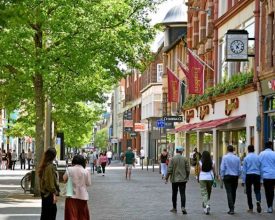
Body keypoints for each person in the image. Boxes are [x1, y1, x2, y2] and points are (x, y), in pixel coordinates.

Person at [63, 155, 91, 220]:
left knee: (71, 216)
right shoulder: (86, 171)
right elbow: (88, 183)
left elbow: (64, 178)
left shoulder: (69, 169)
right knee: (82, 216)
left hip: (71, 196)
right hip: (83, 196)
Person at [165, 146, 190, 215]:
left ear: (176, 151)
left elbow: (169, 170)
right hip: (183, 179)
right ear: (181, 151)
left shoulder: (172, 159)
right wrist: (187, 176)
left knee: (174, 194)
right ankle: (183, 207)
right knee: (182, 193)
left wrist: (166, 178)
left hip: (174, 179)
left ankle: (174, 208)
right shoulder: (185, 159)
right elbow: (188, 170)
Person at [37, 147, 59, 220]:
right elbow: (50, 183)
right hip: (48, 194)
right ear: (53, 156)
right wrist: (55, 193)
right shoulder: (49, 167)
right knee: (51, 214)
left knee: (45, 214)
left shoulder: (44, 165)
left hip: (45, 193)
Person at [220, 145, 241, 215]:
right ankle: (232, 206)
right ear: (233, 150)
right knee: (233, 192)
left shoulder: (225, 157)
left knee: (228, 192)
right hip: (235, 177)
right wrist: (238, 176)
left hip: (227, 176)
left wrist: (222, 177)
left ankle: (231, 208)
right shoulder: (237, 158)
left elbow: (222, 168)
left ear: (227, 150)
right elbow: (239, 169)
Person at [242, 144, 262, 213]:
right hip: (257, 175)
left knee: (249, 192)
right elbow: (260, 168)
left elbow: (244, 170)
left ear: (248, 150)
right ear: (254, 149)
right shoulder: (258, 157)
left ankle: (250, 208)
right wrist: (261, 179)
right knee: (257, 190)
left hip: (249, 175)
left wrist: (243, 180)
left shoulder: (246, 158)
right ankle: (258, 201)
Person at [259, 141, 275, 213]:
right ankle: (271, 206)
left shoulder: (261, 154)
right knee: (272, 191)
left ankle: (269, 206)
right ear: (271, 146)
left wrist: (260, 177)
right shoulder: (274, 154)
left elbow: (259, 165)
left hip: (265, 176)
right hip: (273, 175)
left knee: (267, 191)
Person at [198, 151, 215, 215]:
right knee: (209, 191)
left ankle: (206, 204)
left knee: (204, 192)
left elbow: (200, 171)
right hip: (210, 178)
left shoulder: (200, 162)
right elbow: (214, 171)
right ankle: (205, 204)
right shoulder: (212, 162)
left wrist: (198, 178)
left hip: (202, 178)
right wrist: (215, 177)